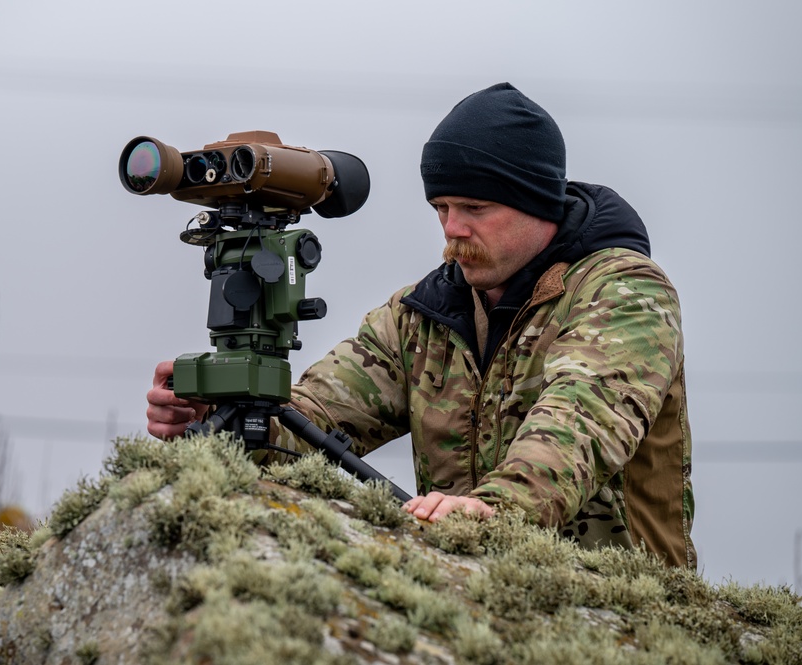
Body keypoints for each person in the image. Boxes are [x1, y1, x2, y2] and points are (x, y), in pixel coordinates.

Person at [146, 82, 696, 569]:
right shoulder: (421, 317)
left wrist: (498, 507)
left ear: (538, 202)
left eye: (474, 208)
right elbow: (308, 419)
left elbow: (585, 418)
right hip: (470, 591)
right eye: (441, 207)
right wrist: (219, 414)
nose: (451, 230)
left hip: (620, 605)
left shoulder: (624, 292)